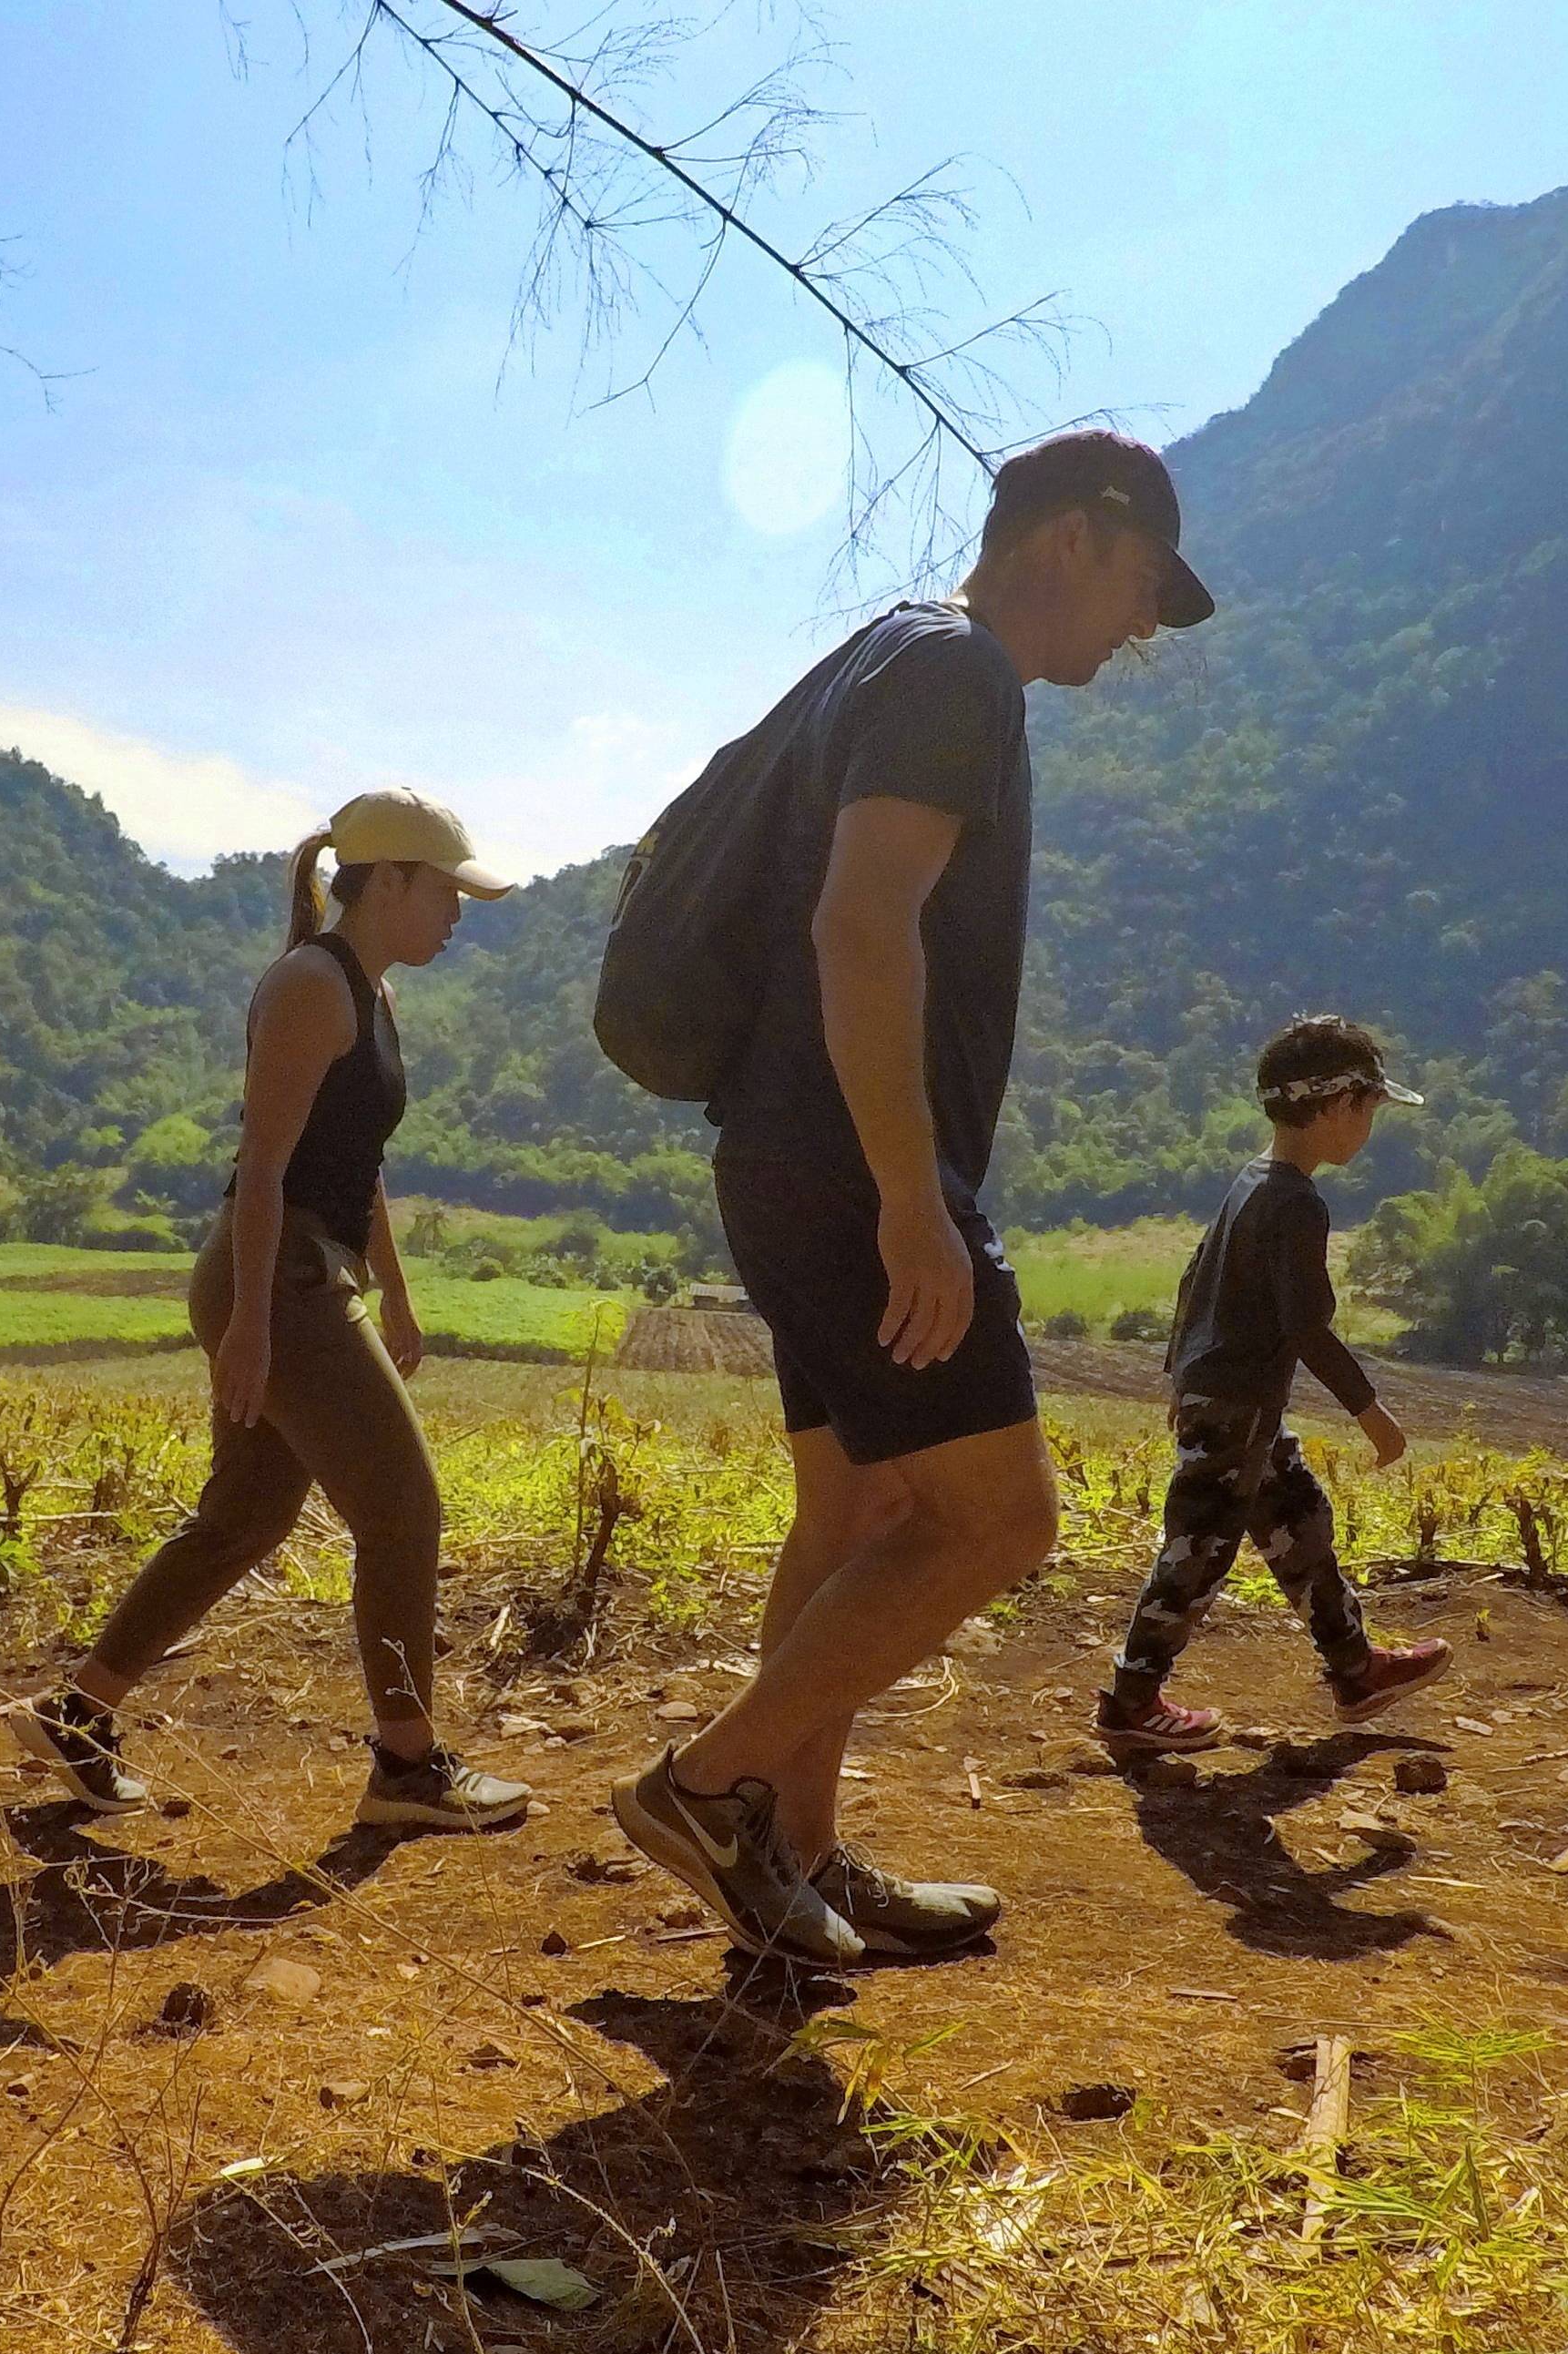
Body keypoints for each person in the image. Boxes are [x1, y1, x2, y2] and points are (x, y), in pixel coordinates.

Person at [613, 429, 1217, 1965]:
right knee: (995, 1521)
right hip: (846, 1164)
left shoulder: (885, 657)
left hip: (783, 1149)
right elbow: (860, 919)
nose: (1143, 621)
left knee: (861, 1505)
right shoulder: (956, 678)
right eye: (1145, 579)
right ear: (1076, 538)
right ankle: (707, 1788)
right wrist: (908, 1195)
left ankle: (789, 1857)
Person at [11, 789, 537, 1836]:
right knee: (402, 1509)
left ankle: (76, 1714)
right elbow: (261, 1167)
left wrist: (395, 1290)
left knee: (245, 1518)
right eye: (446, 892)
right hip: (280, 1280)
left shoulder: (372, 996)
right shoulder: (310, 985)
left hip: (310, 1273)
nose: (459, 914)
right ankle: (405, 1764)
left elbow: (357, 1164)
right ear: (385, 883)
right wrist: (251, 1324)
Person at [1092, 1014, 1453, 1748]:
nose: (1368, 1129)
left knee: (1298, 1525)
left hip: (1228, 1396)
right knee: (1199, 1549)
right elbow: (1304, 1328)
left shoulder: (1255, 1179)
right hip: (1238, 1403)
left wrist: (1178, 1379)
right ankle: (1131, 1702)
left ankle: (1355, 1670)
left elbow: (1194, 1278)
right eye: (1369, 1111)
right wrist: (1369, 1411)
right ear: (1336, 1109)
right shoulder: (1295, 1201)